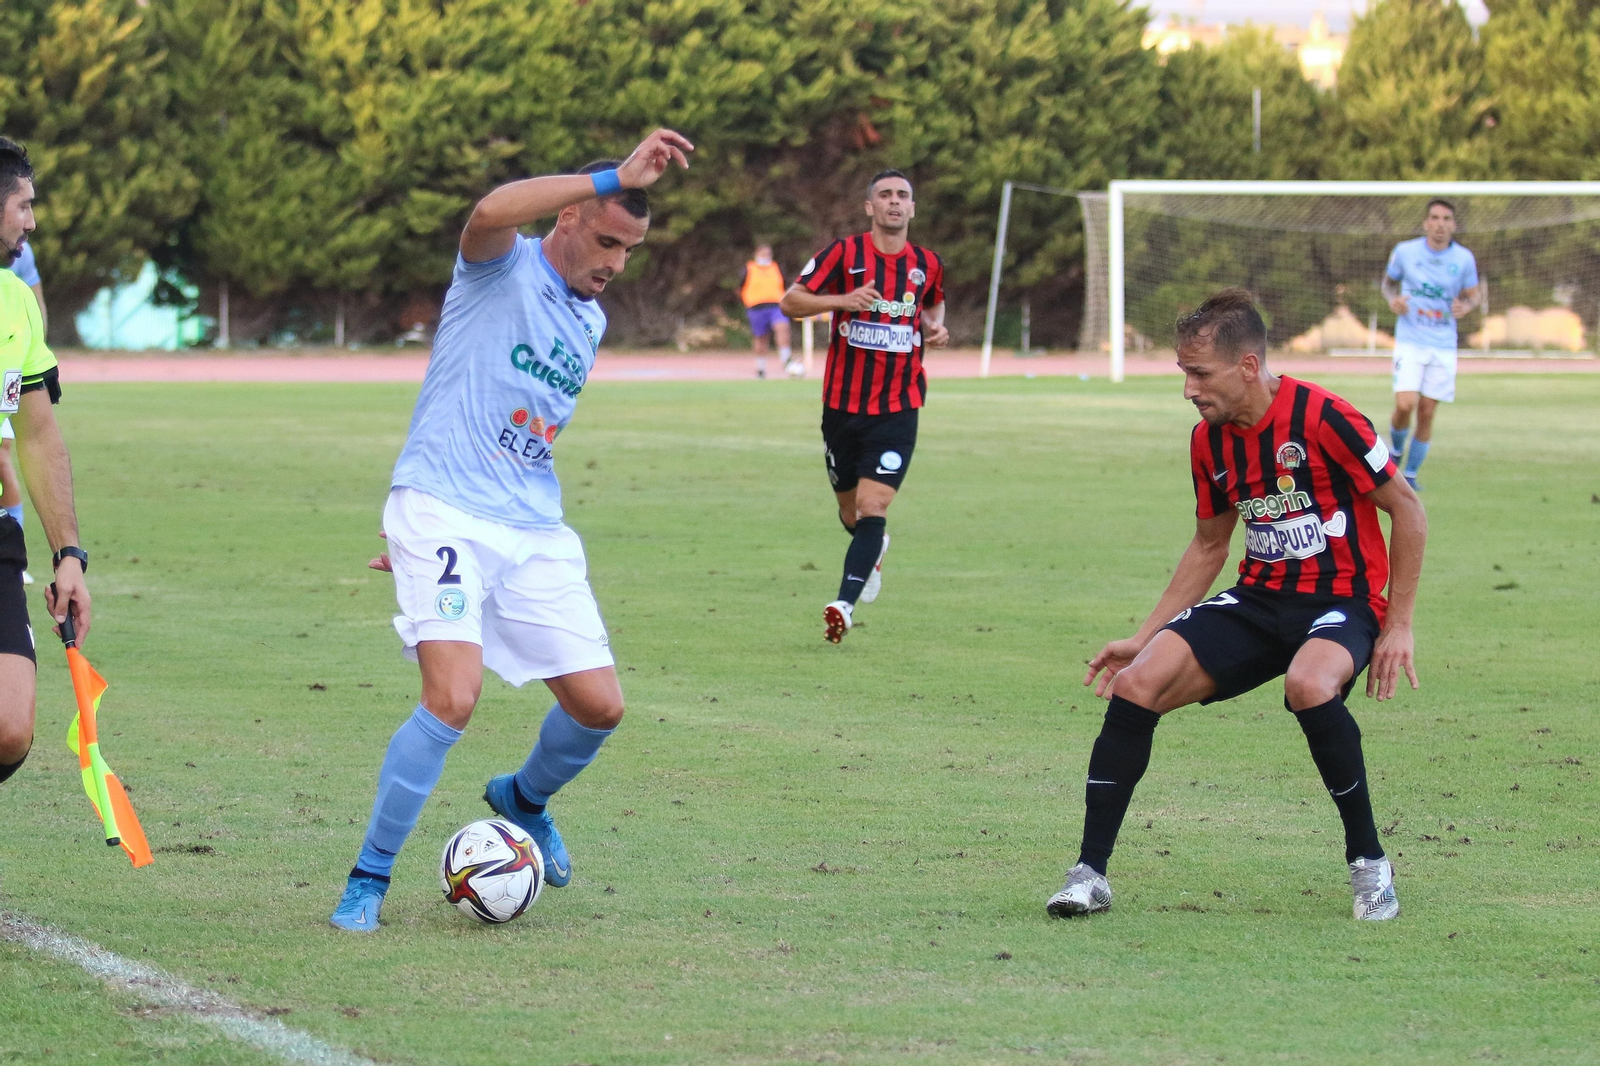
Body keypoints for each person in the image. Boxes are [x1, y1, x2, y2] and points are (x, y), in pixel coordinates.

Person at [329, 129, 693, 932]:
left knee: (601, 707)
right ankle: (368, 880)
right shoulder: (501, 266)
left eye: (630, 250)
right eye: (605, 240)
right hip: (443, 506)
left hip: (530, 525)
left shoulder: (590, 321)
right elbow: (490, 209)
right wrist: (610, 174)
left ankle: (522, 799)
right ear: (566, 218)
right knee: (453, 698)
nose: (615, 263)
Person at [1050, 288, 1426, 923]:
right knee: (1136, 686)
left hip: (1343, 601)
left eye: (1199, 373)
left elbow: (1408, 511)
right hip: (1258, 601)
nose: (1189, 389)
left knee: (1310, 684)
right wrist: (1146, 635)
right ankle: (1090, 874)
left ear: (1247, 366)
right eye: (1184, 373)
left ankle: (1370, 865)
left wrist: (1400, 625)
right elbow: (1209, 544)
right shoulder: (1210, 441)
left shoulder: (1327, 418)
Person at [779, 169, 948, 643]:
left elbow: (933, 307)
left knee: (874, 505)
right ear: (869, 207)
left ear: (912, 208)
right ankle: (873, 549)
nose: (895, 202)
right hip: (842, 407)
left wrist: (936, 329)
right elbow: (791, 302)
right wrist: (843, 300)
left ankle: (843, 604)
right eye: (885, 195)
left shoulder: (928, 264)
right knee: (852, 514)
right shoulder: (843, 254)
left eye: (903, 196)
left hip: (899, 406)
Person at [0, 136, 92, 790]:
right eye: (23, 205)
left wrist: (69, 555)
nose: (31, 222)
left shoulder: (16, 301)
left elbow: (37, 436)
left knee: (10, 725)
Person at [1383, 199, 1480, 490]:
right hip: (1411, 340)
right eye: (1434, 218)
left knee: (1426, 410)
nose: (1440, 224)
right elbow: (1388, 284)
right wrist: (1393, 301)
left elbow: (1473, 295)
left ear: (1453, 225)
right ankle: (1396, 452)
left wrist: (1467, 306)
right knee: (1405, 405)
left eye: (1446, 218)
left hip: (1442, 344)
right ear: (1426, 223)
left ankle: (1410, 475)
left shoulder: (1463, 259)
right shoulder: (1405, 252)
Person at [2, 237, 47, 585]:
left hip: (9, 368)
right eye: (23, 206)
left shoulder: (21, 251)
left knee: (3, 455)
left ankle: (12, 552)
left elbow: (36, 302)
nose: (30, 221)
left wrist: (36, 354)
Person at [739, 242, 798, 378]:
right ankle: (761, 368)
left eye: (768, 254)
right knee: (761, 338)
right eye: (763, 254)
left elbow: (786, 285)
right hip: (756, 308)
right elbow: (740, 287)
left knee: (782, 328)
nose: (766, 256)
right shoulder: (749, 269)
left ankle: (786, 361)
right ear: (756, 254)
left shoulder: (777, 268)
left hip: (776, 306)